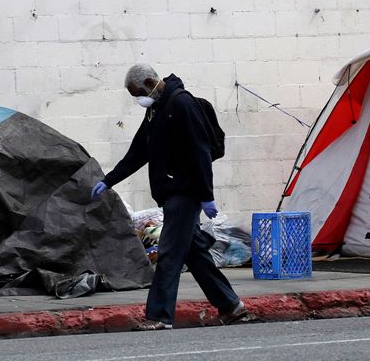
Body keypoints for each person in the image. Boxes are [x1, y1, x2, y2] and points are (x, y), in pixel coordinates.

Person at [90, 63, 251, 330]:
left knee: (169, 254)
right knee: (195, 254)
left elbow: (200, 152)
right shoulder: (156, 110)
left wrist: (205, 195)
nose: (136, 99)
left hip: (185, 193)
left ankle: (159, 316)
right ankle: (231, 307)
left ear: (152, 82)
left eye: (137, 93)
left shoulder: (182, 105)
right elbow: (138, 152)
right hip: (172, 194)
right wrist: (108, 181)